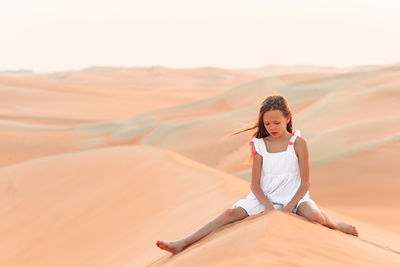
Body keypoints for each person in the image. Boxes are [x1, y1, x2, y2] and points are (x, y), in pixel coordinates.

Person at [156, 94, 358, 255]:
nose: (272, 128)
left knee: (314, 216)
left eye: (276, 123)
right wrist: (268, 205)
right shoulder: (258, 145)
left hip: (295, 196)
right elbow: (254, 183)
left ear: (287, 118)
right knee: (229, 214)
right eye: (267, 124)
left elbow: (305, 183)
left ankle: (337, 225)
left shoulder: (298, 143)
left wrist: (289, 207)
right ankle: (183, 243)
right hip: (264, 196)